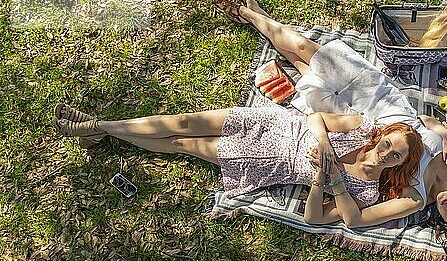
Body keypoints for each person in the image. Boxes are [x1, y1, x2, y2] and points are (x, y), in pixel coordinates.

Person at [207, 0, 447, 252]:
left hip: (360, 129)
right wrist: (446, 135)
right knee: (304, 46)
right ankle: (245, 11)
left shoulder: (414, 199)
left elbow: (355, 220)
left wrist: (336, 182)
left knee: (303, 68)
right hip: (382, 101)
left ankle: (252, 10)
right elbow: (425, 120)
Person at [54, 103, 424, 215]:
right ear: (384, 134)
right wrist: (324, 142)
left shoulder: (368, 190)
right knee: (181, 122)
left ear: (401, 164)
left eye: (397, 155)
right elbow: (315, 118)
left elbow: (322, 218)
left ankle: (97, 130)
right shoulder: (360, 128)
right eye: (390, 142)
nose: (388, 151)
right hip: (270, 122)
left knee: (182, 143)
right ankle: (98, 125)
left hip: (266, 159)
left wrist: (325, 178)